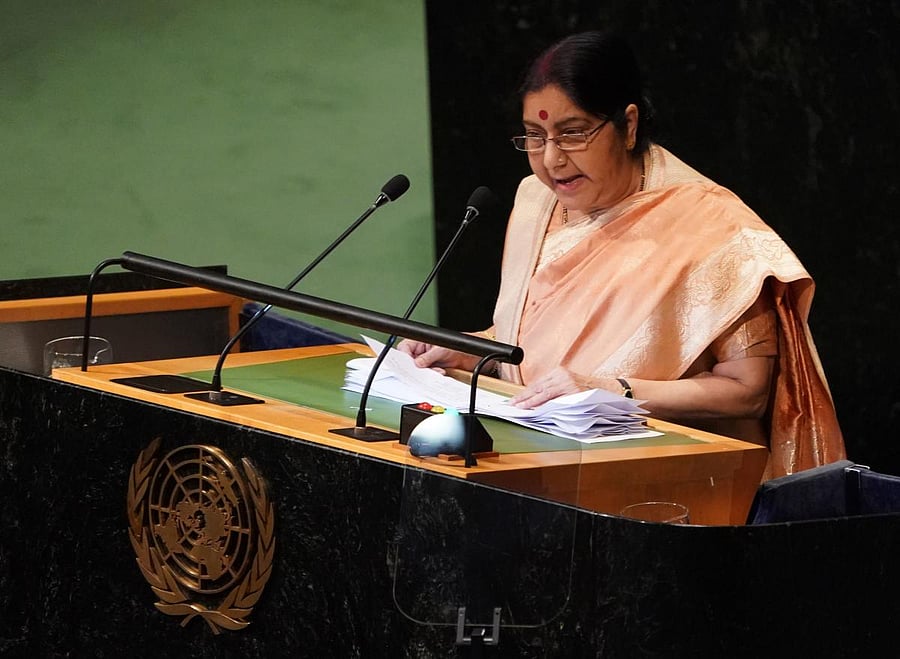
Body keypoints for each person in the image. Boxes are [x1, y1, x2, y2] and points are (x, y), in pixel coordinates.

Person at [397, 30, 844, 479]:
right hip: (530, 458)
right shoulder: (537, 201)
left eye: (572, 134)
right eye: (535, 137)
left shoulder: (713, 228)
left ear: (628, 126)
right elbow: (537, 342)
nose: (551, 159)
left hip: (667, 481)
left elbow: (747, 392)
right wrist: (467, 351)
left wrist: (611, 392)